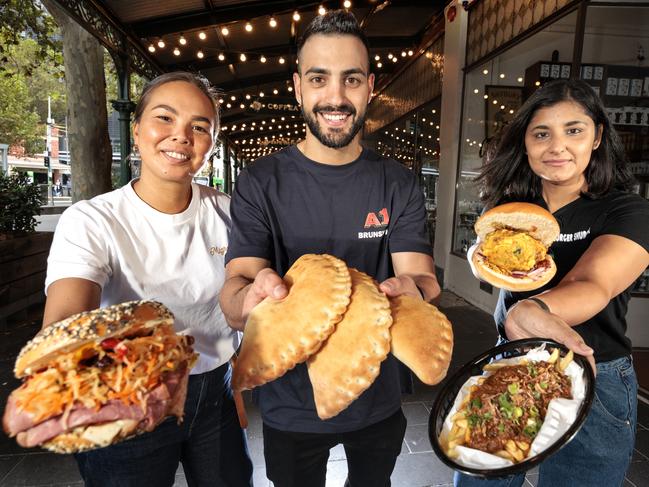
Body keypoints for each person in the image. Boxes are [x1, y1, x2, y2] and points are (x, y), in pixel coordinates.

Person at [219, 10, 441, 487]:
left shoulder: (397, 183)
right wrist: (250, 297)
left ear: (370, 86)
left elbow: (422, 277)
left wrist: (414, 289)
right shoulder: (260, 183)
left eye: (351, 79)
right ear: (298, 87)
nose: (336, 97)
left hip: (377, 399)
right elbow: (236, 289)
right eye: (319, 79)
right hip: (290, 405)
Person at [43, 72, 253, 487]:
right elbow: (64, 323)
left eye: (199, 126)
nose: (181, 136)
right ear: (136, 130)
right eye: (165, 119)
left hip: (215, 394)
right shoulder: (92, 220)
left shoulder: (230, 212)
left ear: (211, 144)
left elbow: (237, 310)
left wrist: (239, 387)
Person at [461, 79, 649, 487]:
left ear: (597, 136)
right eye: (541, 133)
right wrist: (481, 262)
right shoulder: (508, 207)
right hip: (513, 360)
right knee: (480, 478)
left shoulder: (627, 210)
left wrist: (534, 308)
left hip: (594, 374)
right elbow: (484, 257)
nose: (556, 146)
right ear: (525, 143)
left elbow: (593, 282)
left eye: (574, 130)